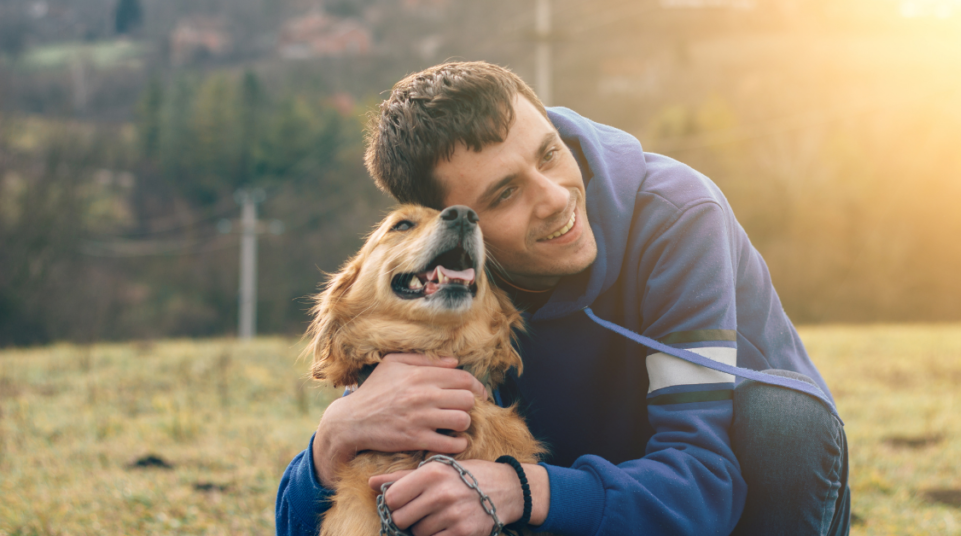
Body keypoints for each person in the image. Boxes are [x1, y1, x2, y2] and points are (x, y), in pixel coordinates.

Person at [276, 61, 850, 536]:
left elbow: (704, 483)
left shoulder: (678, 218)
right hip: (565, 501)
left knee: (781, 423)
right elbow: (322, 513)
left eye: (549, 153)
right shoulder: (446, 286)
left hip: (713, 490)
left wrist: (517, 488)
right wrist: (333, 441)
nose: (554, 198)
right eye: (505, 194)